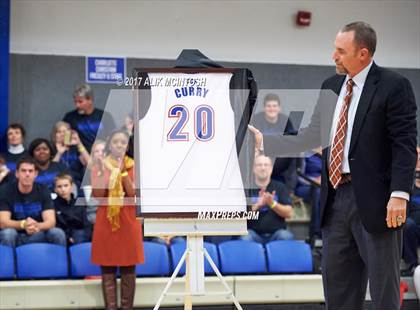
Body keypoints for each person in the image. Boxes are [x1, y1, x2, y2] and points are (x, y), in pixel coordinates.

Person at [249, 21, 417, 309]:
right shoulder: (331, 85)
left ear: (363, 53)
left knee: (384, 290)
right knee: (338, 288)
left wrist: (399, 194)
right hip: (335, 199)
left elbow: (404, 144)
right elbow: (313, 134)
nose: (333, 56)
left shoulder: (394, 86)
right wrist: (268, 141)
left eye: (340, 50)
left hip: (378, 203)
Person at [91, 130, 143, 310]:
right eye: (115, 142)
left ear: (127, 146)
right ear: (109, 145)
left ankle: (127, 307)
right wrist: (103, 173)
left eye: (123, 142)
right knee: (107, 267)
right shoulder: (99, 165)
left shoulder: (135, 165)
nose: (119, 145)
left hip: (128, 220)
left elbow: (133, 194)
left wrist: (121, 173)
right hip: (106, 220)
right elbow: (98, 195)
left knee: (129, 268)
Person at [0, 157, 66, 247]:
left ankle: (59, 261)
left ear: (36, 174)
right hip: (16, 235)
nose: (27, 174)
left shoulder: (43, 190)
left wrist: (37, 226)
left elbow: (51, 221)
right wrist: (23, 224)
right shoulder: (5, 190)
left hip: (38, 233)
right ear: (17, 174)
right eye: (23, 171)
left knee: (57, 233)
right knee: (8, 233)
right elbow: (3, 222)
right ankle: (8, 261)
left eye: (30, 171)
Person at [241, 154, 294, 243]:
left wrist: (272, 204)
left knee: (286, 236)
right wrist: (258, 205)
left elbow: (289, 213)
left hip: (277, 234)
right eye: (259, 165)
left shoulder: (280, 187)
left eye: (266, 165)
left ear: (271, 168)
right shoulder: (246, 189)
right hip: (253, 233)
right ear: (253, 168)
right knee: (245, 237)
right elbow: (240, 217)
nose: (263, 168)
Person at [252, 93, 297, 193]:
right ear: (264, 108)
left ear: (279, 108)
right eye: (268, 106)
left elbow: (291, 141)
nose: (271, 109)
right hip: (261, 154)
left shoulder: (285, 120)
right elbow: (252, 140)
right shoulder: (257, 119)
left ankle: (290, 190)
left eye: (274, 106)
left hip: (279, 156)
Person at [63, 84, 115, 152]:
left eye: (80, 102)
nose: (77, 105)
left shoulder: (105, 116)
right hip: (79, 157)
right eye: (75, 102)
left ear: (90, 100)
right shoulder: (70, 117)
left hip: (100, 156)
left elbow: (112, 138)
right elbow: (65, 140)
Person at [53, 173, 91, 244]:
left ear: (72, 187)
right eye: (59, 186)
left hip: (82, 234)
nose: (63, 189)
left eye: (66, 185)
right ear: (55, 189)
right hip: (65, 237)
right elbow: (56, 225)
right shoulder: (53, 205)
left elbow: (86, 223)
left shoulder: (80, 203)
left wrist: (88, 235)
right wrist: (68, 237)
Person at [51, 121, 89, 188]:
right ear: (55, 135)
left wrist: (79, 143)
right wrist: (59, 153)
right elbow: (51, 170)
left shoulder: (76, 148)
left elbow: (89, 163)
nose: (62, 134)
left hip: (76, 183)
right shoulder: (51, 149)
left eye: (65, 131)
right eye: (59, 132)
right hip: (58, 185)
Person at [401, 147, 420, 276]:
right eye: (416, 158)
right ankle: (412, 264)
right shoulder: (405, 183)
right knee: (406, 225)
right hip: (412, 229)